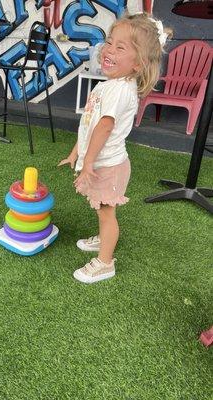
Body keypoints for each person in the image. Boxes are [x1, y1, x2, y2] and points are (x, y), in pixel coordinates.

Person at [58, 12, 172, 284]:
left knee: (107, 214)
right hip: (102, 162)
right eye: (109, 42)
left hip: (108, 166)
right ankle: (103, 239)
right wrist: (76, 152)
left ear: (138, 64)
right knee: (102, 210)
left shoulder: (119, 90)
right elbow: (89, 124)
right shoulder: (110, 86)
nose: (108, 50)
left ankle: (105, 262)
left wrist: (87, 164)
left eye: (120, 48)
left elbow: (104, 128)